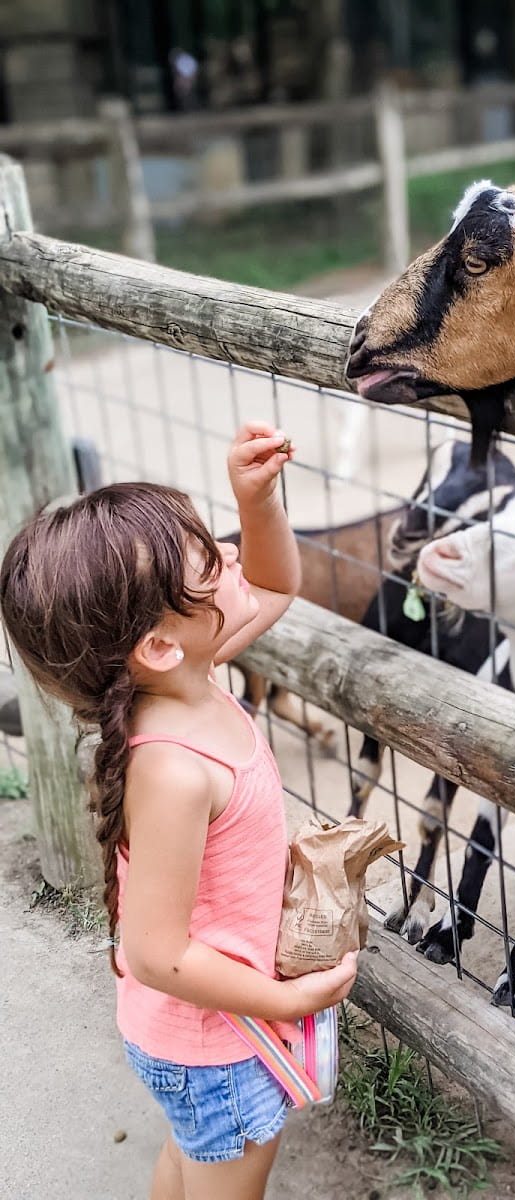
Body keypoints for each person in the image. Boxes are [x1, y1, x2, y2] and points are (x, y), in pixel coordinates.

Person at [0, 423, 358, 1199]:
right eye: (208, 557)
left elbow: (272, 587)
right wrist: (287, 1002)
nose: (230, 552)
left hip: (203, 1032)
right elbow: (156, 950)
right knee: (223, 1175)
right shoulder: (173, 768)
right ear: (160, 644)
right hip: (218, 1040)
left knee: (186, 1158)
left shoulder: (187, 680)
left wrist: (255, 502)